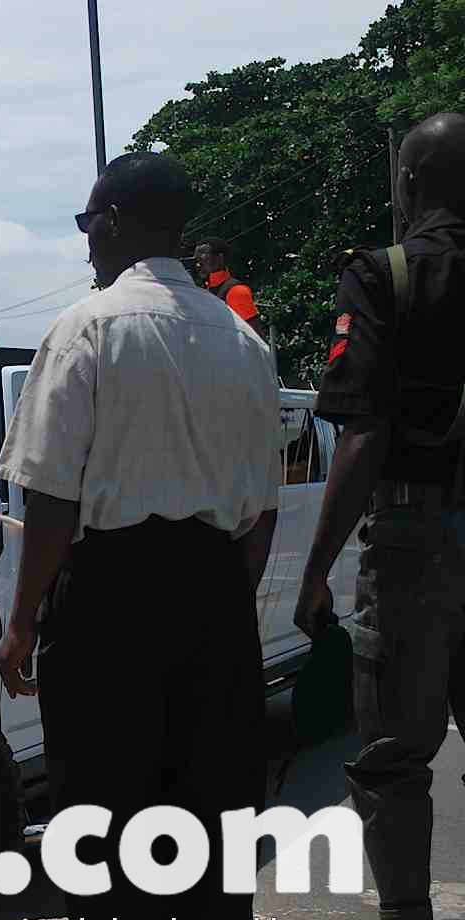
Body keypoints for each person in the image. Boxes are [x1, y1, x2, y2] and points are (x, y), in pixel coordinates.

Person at [0, 151, 281, 919]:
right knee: (212, 817)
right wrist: (221, 603)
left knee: (99, 816)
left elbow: (51, 497)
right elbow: (265, 507)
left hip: (110, 599)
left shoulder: (87, 327)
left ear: (114, 222)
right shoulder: (244, 342)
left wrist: (22, 621)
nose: (88, 242)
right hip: (217, 593)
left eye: (90, 224)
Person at [293, 111, 465, 920]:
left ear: (407, 185)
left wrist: (318, 568)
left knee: (395, 757)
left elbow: (360, 434)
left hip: (413, 544)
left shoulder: (383, 275)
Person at [195, 235, 266, 337]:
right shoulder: (203, 290)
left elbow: (255, 337)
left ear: (220, 258)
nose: (198, 265)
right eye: (196, 260)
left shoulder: (236, 291)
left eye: (203, 259)